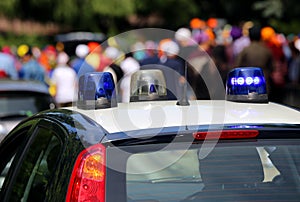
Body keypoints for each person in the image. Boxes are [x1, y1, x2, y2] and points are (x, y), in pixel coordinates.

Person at [235, 25, 274, 93]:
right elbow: (272, 67)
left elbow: (237, 66)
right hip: (264, 83)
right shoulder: (267, 50)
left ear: (249, 37)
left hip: (247, 83)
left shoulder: (245, 50)